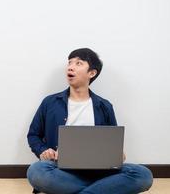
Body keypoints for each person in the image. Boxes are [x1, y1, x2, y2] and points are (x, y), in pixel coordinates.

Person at [26, 48, 153, 194]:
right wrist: (43, 151)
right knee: (36, 170)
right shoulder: (49, 102)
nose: (70, 66)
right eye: (69, 63)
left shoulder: (104, 106)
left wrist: (118, 154)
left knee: (143, 175)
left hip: (99, 171)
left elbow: (112, 142)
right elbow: (33, 135)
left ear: (92, 73)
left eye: (78, 63)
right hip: (61, 170)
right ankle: (101, 189)